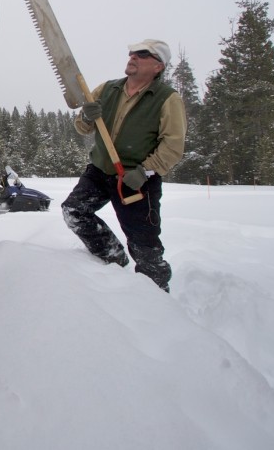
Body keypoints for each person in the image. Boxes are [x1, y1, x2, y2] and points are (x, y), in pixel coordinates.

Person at [61, 39, 186, 292]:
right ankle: (113, 258)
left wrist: (145, 171)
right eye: (132, 53)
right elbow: (81, 126)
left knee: (144, 244)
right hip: (100, 170)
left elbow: (173, 145)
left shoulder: (166, 99)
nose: (133, 57)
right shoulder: (107, 89)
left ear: (158, 66)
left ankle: (156, 296)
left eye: (142, 54)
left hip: (136, 178)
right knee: (74, 211)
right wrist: (86, 116)